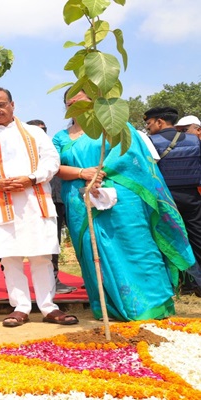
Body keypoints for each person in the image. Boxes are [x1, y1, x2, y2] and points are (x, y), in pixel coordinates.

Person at [51, 92, 194, 321]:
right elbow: (55, 167)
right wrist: (82, 173)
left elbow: (132, 157)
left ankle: (151, 306)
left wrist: (101, 172)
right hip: (81, 201)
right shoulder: (61, 137)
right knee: (92, 252)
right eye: (71, 101)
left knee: (137, 248)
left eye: (83, 98)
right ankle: (111, 307)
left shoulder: (116, 126)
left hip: (123, 201)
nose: (76, 103)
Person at [0, 87, 77, 328]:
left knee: (41, 256)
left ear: (12, 105)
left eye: (1, 104)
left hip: (33, 201)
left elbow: (52, 161)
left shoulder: (34, 133)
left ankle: (49, 306)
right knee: (10, 257)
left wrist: (32, 178)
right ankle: (21, 307)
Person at [145, 107, 201, 295]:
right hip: (192, 196)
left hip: (165, 199)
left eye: (149, 123)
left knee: (165, 239)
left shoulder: (152, 141)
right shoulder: (195, 140)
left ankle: (172, 285)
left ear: (160, 122)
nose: (148, 128)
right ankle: (198, 284)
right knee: (196, 238)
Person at [24, 119, 76, 295]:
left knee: (64, 240)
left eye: (44, 129)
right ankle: (51, 280)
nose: (41, 132)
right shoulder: (23, 153)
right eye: (37, 130)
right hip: (37, 203)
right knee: (47, 242)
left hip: (61, 200)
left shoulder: (53, 149)